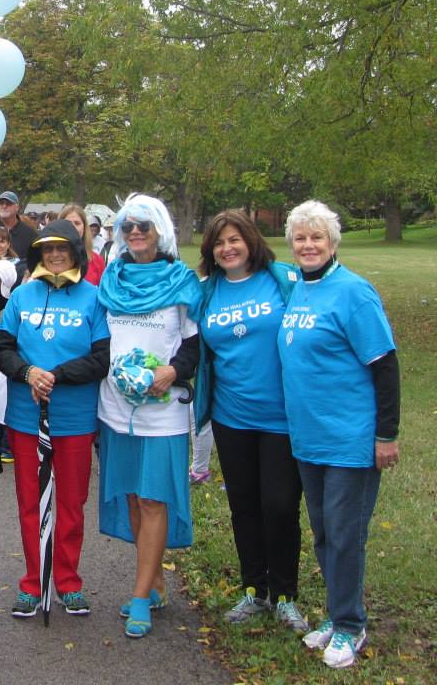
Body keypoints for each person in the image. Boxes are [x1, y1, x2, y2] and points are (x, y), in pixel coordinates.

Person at [278, 200, 399, 670]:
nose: (308, 245)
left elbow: (384, 365)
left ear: (332, 242)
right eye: (301, 238)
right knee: (325, 533)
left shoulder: (354, 292)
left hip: (350, 439)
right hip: (309, 439)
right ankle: (336, 612)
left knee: (346, 535)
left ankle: (351, 624)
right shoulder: (300, 289)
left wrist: (386, 434)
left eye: (317, 237)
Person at [192, 210, 306, 632]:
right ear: (211, 251)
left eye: (235, 239)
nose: (228, 248)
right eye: (220, 243)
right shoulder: (207, 291)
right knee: (244, 506)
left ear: (251, 241)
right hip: (231, 417)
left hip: (281, 417)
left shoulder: (284, 281)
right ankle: (255, 590)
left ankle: (285, 595)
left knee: (280, 505)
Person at [96, 193, 202, 639]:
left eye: (144, 226)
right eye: (128, 226)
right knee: (133, 498)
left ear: (161, 230)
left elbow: (196, 344)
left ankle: (140, 596)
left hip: (163, 413)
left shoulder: (182, 280)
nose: (136, 233)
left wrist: (173, 371)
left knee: (154, 499)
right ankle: (154, 582)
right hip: (116, 410)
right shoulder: (111, 280)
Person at [0, 219, 110, 618]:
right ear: (39, 254)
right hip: (26, 419)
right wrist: (28, 373)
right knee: (31, 502)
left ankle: (68, 581)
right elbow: (2, 349)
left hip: (75, 419)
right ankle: (34, 581)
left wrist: (56, 375)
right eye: (48, 249)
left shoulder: (93, 298)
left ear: (76, 252)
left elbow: (101, 359)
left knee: (72, 503)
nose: (56, 255)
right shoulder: (22, 296)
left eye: (63, 248)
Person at [58, 203, 106, 286]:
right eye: (67, 223)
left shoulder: (97, 261)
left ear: (84, 228)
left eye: (77, 223)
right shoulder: (50, 260)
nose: (73, 227)